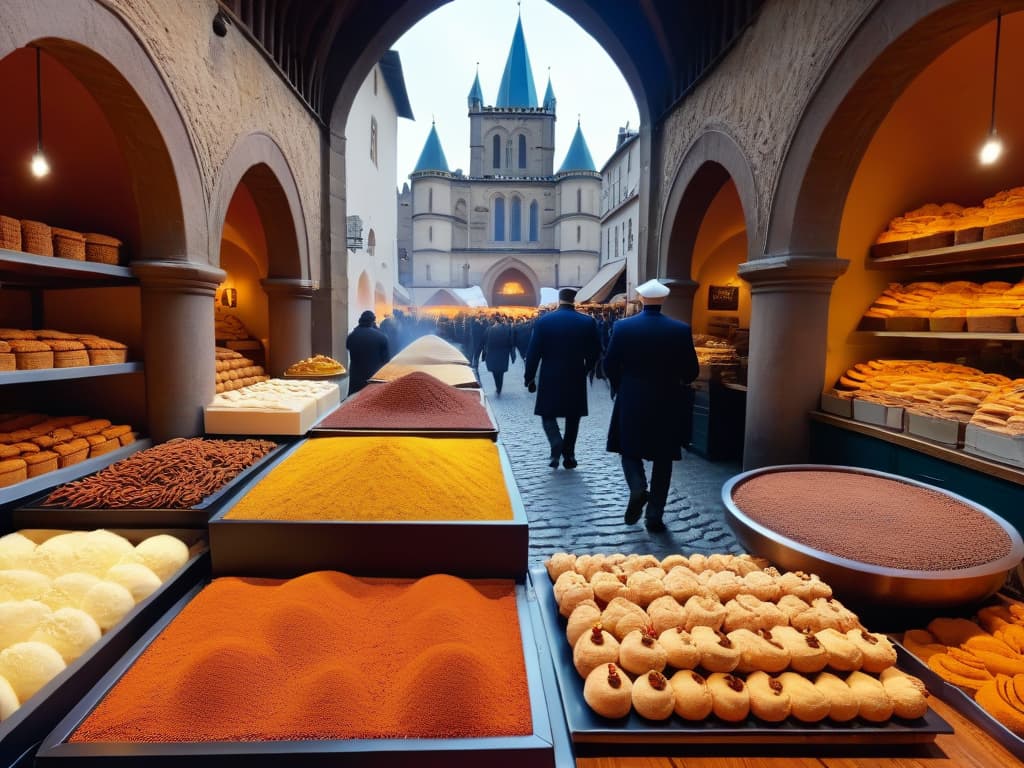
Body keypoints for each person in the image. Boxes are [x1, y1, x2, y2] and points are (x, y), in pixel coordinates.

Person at [604, 279, 699, 533]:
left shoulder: (623, 327)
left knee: (628, 449)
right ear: (664, 300)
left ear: (642, 299)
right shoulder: (680, 329)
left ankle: (637, 487)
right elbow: (692, 370)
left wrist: (619, 385)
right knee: (663, 458)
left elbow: (609, 364)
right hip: (667, 400)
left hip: (632, 396)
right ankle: (654, 515)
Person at [524, 288, 602, 469]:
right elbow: (595, 350)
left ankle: (555, 442)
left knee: (547, 413)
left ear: (559, 299)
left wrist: (529, 377)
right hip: (575, 374)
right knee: (573, 418)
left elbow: (533, 352)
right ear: (573, 299)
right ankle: (569, 455)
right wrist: (587, 368)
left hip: (550, 374)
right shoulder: (587, 322)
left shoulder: (544, 322)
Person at [345, 310, 391, 395]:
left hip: (355, 377)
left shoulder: (351, 336)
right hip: (373, 377)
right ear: (373, 321)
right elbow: (386, 360)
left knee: (354, 401)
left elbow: (348, 347)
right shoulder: (381, 337)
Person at [482, 315, 515, 395]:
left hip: (492, 354)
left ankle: (498, 386)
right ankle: (499, 386)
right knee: (501, 372)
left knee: (495, 372)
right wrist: (512, 355)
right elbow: (511, 342)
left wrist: (483, 354)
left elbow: (484, 342)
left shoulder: (489, 329)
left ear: (495, 321)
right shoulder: (507, 329)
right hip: (503, 354)